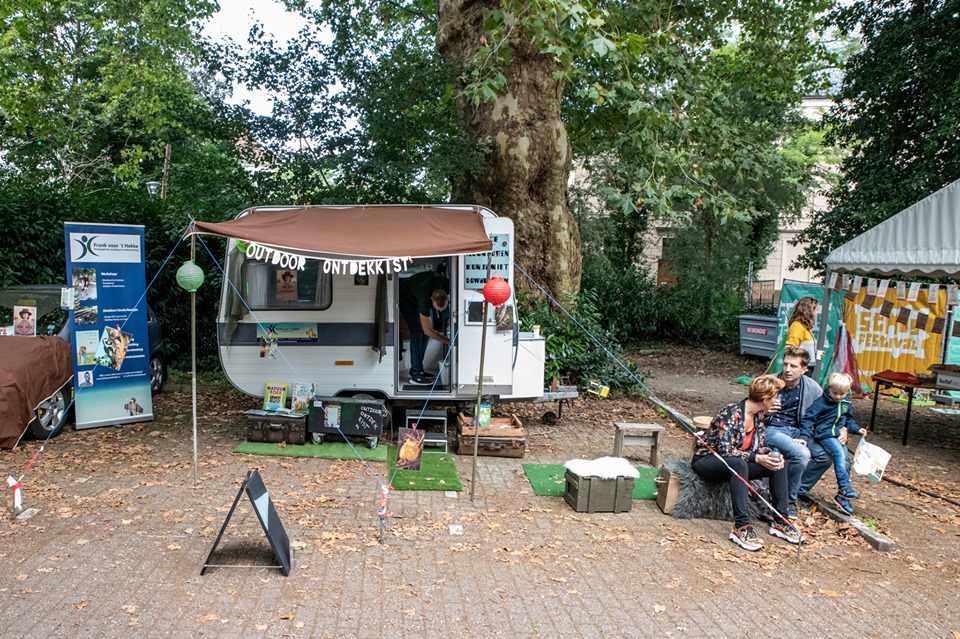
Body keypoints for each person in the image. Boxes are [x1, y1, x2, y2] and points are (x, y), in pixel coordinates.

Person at [692, 375, 802, 551]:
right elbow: (726, 451)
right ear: (765, 399)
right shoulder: (730, 412)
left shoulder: (758, 416)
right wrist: (756, 458)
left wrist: (771, 456)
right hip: (707, 461)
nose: (777, 401)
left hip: (737, 463)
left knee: (778, 464)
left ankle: (781, 521)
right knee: (739, 464)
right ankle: (741, 527)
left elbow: (759, 447)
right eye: (775, 397)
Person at [766, 345, 821, 519]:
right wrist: (765, 410)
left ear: (804, 369)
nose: (788, 369)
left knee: (825, 454)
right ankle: (788, 502)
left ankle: (796, 491)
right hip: (772, 430)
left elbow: (829, 410)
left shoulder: (812, 387)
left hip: (799, 432)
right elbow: (747, 408)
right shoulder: (769, 382)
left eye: (793, 366)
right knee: (802, 454)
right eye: (785, 364)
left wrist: (843, 428)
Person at [800, 372, 867, 515]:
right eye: (835, 393)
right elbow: (808, 419)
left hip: (838, 435)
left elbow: (848, 420)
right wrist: (804, 436)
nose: (838, 397)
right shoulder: (821, 403)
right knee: (839, 455)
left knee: (846, 461)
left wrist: (856, 429)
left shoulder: (845, 403)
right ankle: (844, 488)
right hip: (825, 435)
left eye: (842, 394)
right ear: (829, 388)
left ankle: (843, 498)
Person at [399, 270, 450, 385]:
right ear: (431, 300)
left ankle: (418, 368)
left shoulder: (447, 284)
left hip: (419, 287)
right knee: (417, 332)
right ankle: (416, 374)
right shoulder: (424, 298)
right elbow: (428, 331)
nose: (439, 311)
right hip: (406, 296)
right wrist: (449, 341)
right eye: (437, 309)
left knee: (425, 335)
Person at [785, 296, 820, 366]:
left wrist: (815, 354)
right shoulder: (797, 326)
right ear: (810, 310)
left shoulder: (805, 327)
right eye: (816, 309)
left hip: (807, 366)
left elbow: (805, 348)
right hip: (800, 368)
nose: (817, 312)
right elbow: (790, 349)